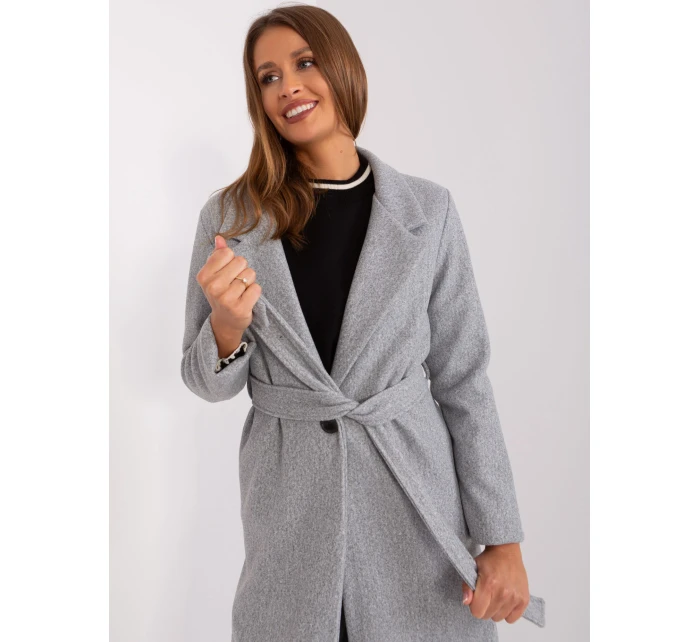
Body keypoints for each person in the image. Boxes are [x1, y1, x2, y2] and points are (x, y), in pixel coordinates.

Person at [180, 5, 545, 641]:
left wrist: (502, 537)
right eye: (268, 77)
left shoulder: (428, 211)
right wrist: (227, 326)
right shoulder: (232, 217)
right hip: (290, 506)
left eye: (304, 63)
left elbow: (463, 378)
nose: (288, 86)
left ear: (343, 68)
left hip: (413, 496)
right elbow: (205, 382)